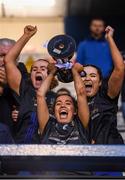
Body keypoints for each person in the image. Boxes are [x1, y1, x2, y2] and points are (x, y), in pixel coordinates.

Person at [4, 25, 57, 144]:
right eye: (34, 69)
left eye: (43, 68)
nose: (38, 71)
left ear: (51, 75)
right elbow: (9, 61)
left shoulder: (58, 99)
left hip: (49, 153)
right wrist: (26, 36)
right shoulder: (24, 90)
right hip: (21, 152)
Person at [80, 26, 124, 144]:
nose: (87, 78)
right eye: (83, 75)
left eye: (93, 76)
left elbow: (120, 68)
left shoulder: (106, 95)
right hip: (87, 154)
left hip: (112, 151)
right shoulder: (74, 104)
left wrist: (109, 38)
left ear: (100, 82)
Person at [37, 63, 89, 145]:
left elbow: (81, 93)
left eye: (68, 103)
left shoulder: (80, 125)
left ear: (75, 111)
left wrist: (74, 71)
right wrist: (52, 72)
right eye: (58, 103)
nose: (63, 105)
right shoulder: (47, 126)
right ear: (53, 111)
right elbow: (40, 95)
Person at [0, 38, 28, 139]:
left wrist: (9, 84)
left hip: (17, 136)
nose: (5, 61)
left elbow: (28, 101)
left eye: (11, 56)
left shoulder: (24, 76)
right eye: (2, 56)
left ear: (17, 59)